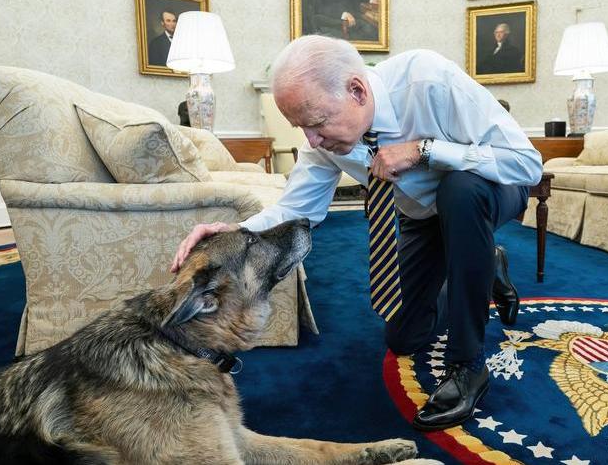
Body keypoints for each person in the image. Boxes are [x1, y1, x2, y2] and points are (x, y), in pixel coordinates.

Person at [171, 35, 542, 431]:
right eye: (301, 128)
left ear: (357, 91)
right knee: (404, 337)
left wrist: (426, 149)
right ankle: (487, 264)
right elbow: (298, 210)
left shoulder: (429, 81)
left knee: (460, 190)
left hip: (490, 190)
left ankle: (467, 365)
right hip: (423, 216)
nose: (311, 141)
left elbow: (527, 165)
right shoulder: (323, 139)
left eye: (315, 124)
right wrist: (235, 231)